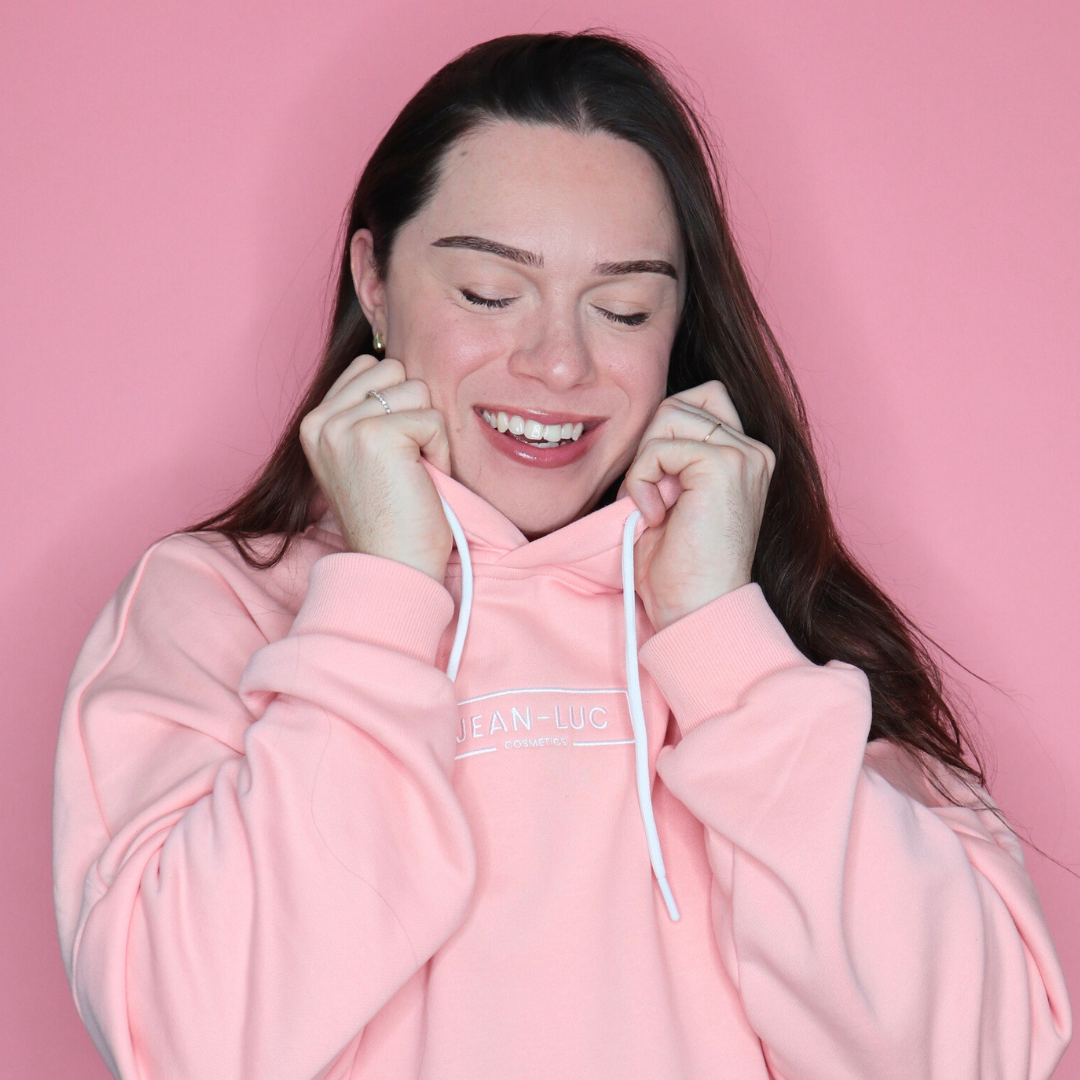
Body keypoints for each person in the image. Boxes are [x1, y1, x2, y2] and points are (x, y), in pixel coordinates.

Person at [52, 30, 1071, 1080]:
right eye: (490, 294)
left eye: (624, 307)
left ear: (679, 325)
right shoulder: (212, 606)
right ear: (372, 277)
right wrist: (384, 595)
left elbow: (978, 1059)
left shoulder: (781, 632)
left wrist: (724, 643)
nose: (558, 361)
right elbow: (184, 1043)